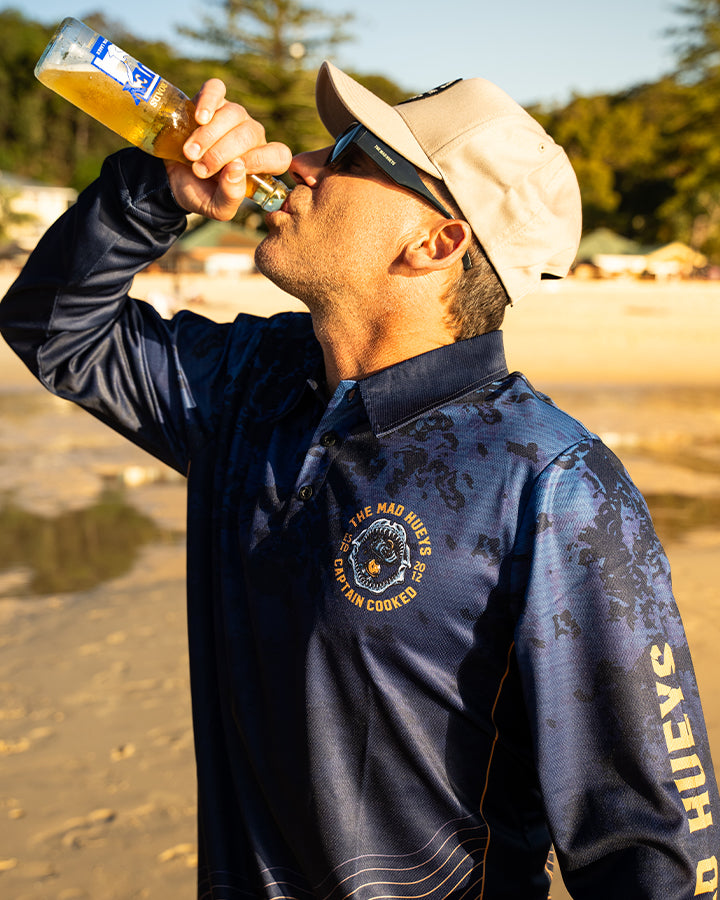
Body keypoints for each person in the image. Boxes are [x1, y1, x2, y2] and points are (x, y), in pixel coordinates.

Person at [0, 62, 718, 899]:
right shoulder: (251, 385)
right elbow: (54, 331)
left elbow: (648, 843)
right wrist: (153, 192)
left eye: (351, 152)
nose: (301, 162)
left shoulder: (551, 481)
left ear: (436, 242)